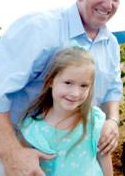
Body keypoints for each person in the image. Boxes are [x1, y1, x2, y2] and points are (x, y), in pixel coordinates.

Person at [0, 0, 123, 175]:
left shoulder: (111, 43)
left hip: (80, 154)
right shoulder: (39, 29)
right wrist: (11, 153)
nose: (108, 3)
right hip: (17, 146)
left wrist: (112, 121)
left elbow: (113, 88)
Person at [18, 47, 112, 176]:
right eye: (68, 83)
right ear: (50, 81)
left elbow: (104, 157)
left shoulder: (93, 121)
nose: (75, 93)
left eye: (83, 86)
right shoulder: (33, 130)